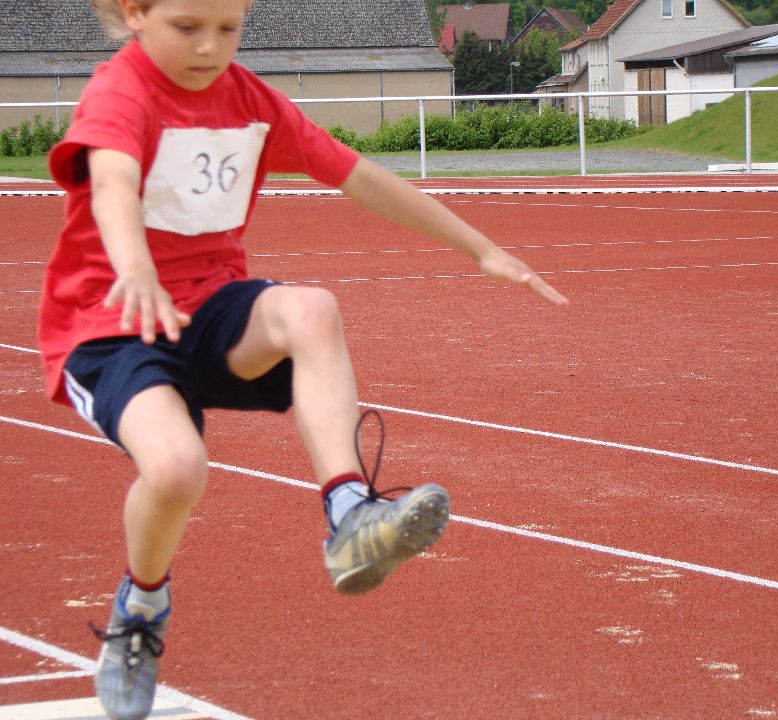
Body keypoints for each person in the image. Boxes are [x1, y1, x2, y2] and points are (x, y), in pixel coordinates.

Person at [38, 1, 568, 718]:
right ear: (135, 13)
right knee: (177, 470)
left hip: (210, 309)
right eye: (188, 28)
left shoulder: (249, 101)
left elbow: (359, 176)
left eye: (228, 29)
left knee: (312, 308)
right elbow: (112, 183)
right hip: (114, 321)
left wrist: (480, 247)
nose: (209, 48)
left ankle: (349, 511)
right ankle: (141, 609)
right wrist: (133, 265)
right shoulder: (121, 91)